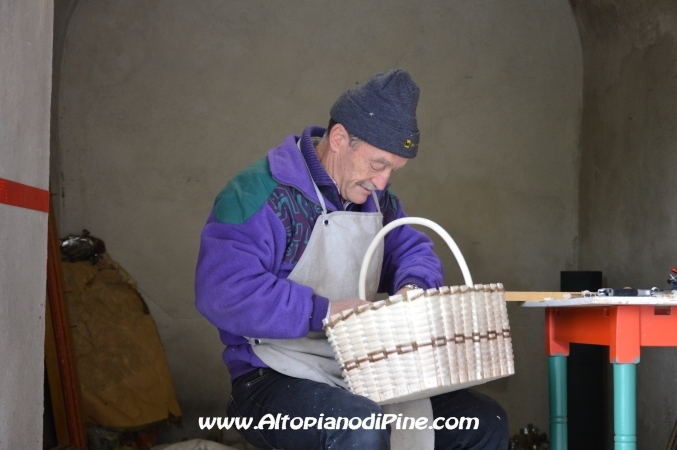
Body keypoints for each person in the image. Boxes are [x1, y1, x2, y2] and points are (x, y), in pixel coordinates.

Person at [195, 69, 508, 450]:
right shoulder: (258, 193)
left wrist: (414, 287)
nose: (382, 181)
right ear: (340, 138)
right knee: (359, 425)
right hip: (268, 376)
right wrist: (324, 312)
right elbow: (223, 290)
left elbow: (411, 248)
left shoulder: (378, 201)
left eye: (393, 169)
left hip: (365, 372)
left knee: (484, 421)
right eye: (378, 165)